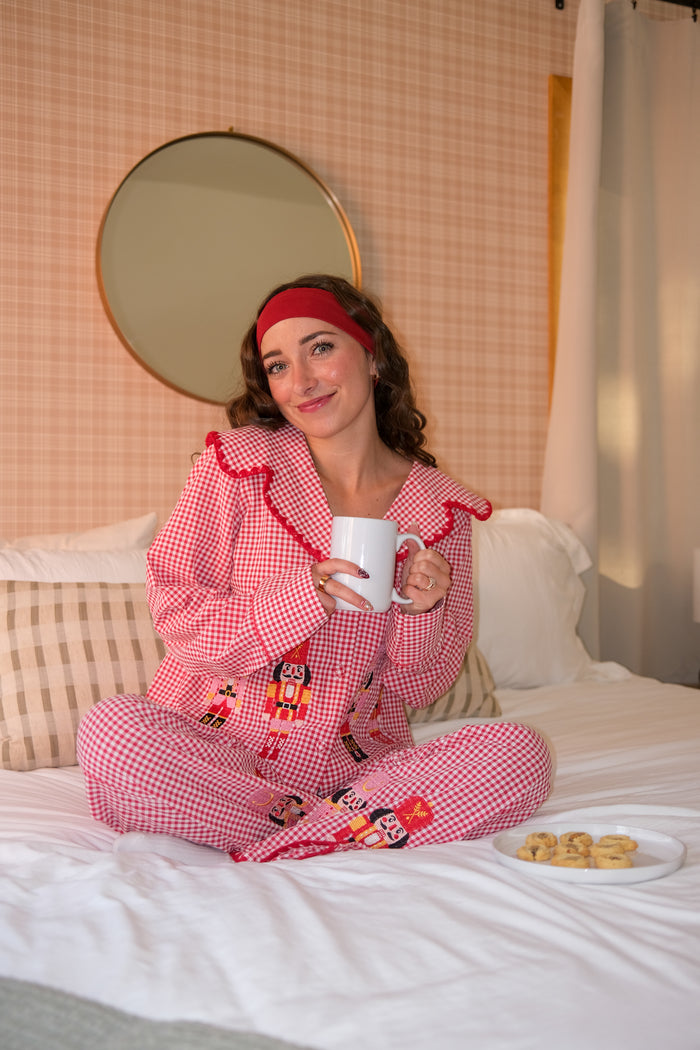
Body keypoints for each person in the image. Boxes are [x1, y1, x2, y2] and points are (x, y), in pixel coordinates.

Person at [77, 274, 552, 862]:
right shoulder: (237, 468)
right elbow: (177, 615)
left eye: (320, 348)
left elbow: (419, 687)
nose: (299, 382)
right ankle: (335, 833)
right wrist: (305, 597)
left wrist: (423, 612)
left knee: (520, 756)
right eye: (277, 366)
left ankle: (285, 835)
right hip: (218, 753)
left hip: (355, 770)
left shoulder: (437, 509)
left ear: (371, 356)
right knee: (114, 732)